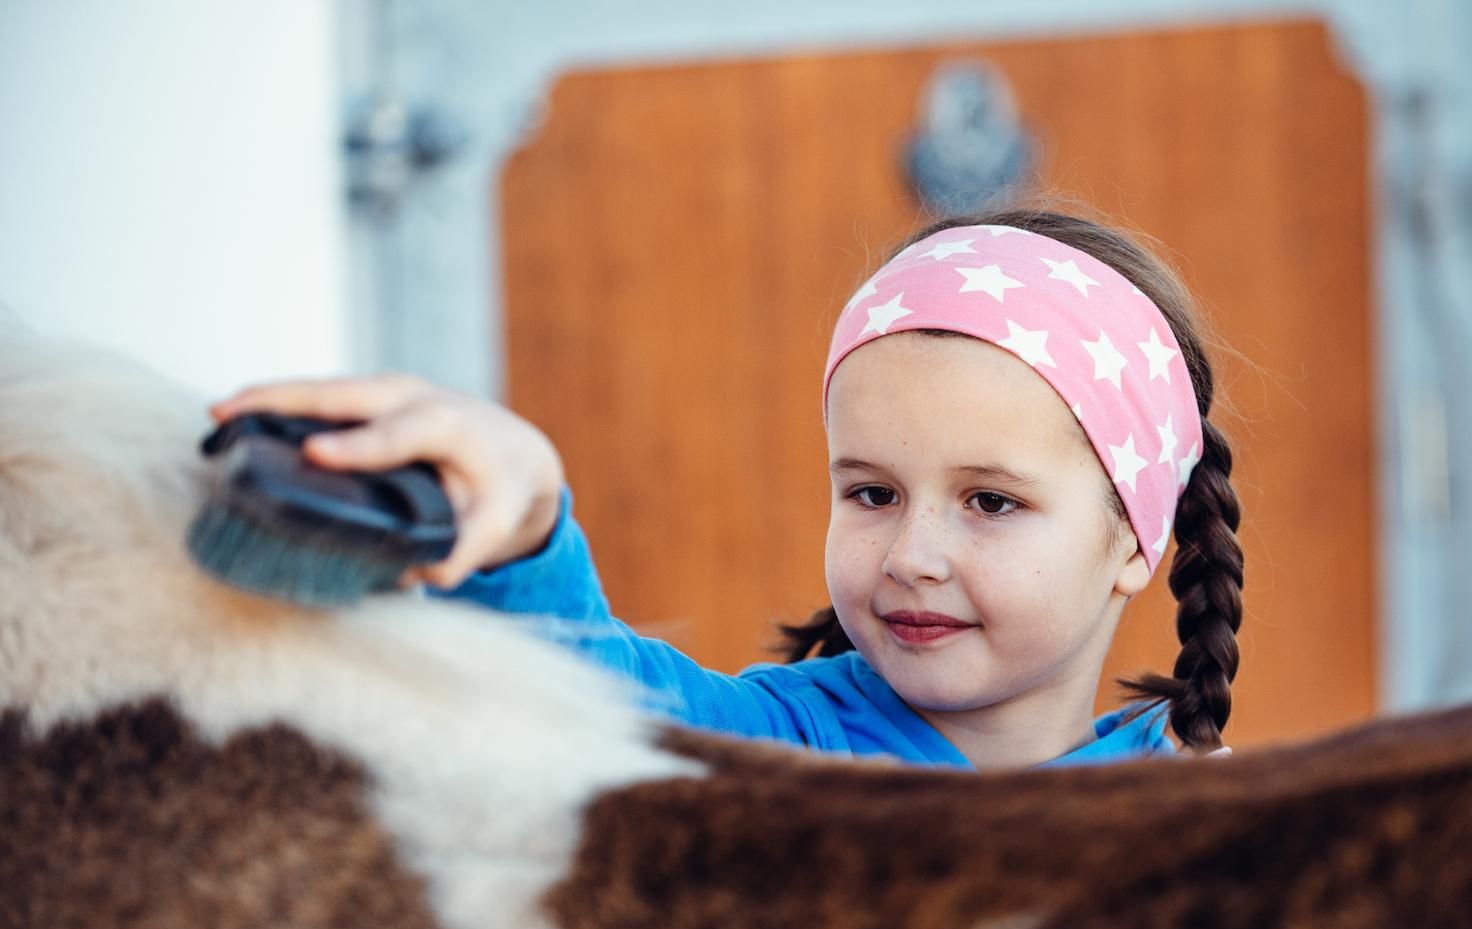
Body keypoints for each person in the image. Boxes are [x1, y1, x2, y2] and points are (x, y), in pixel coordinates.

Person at [210, 207, 1243, 769]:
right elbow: (587, 695)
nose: (911, 555)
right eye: (872, 494)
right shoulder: (772, 750)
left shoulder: (1200, 817)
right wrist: (526, 524)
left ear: (1132, 542)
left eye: (989, 502)